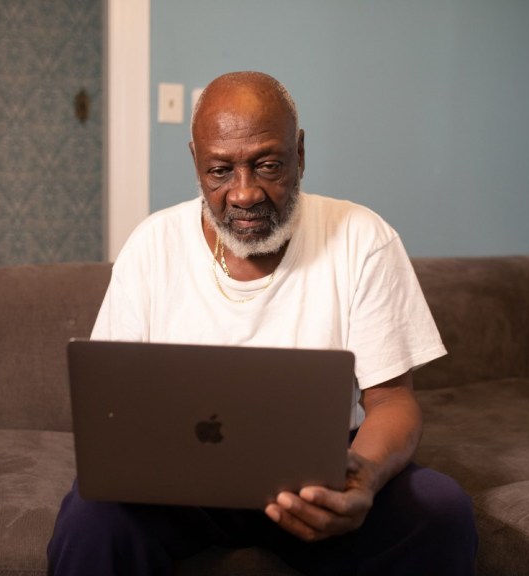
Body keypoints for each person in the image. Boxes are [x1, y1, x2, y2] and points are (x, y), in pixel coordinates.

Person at [48, 71, 478, 575]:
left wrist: (362, 480)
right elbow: (113, 407)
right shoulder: (151, 245)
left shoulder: (364, 238)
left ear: (300, 153)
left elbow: (391, 400)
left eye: (267, 165)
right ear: (195, 161)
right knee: (89, 517)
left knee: (442, 509)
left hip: (320, 475)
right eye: (220, 171)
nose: (244, 193)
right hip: (177, 482)